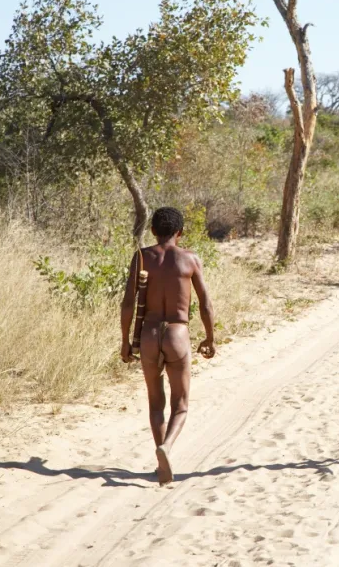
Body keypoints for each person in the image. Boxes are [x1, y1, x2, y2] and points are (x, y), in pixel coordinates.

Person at [120, 207, 216, 485]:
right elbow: (205, 304)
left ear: (152, 231)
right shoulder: (190, 259)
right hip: (177, 334)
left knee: (155, 402)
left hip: (149, 334)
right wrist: (210, 337)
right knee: (181, 404)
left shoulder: (142, 257)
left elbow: (128, 303)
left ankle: (162, 465)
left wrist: (125, 339)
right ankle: (167, 448)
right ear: (180, 232)